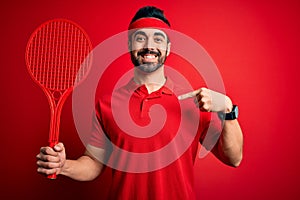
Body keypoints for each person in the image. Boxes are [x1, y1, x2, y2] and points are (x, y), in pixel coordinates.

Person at [36, 6, 243, 200]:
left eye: (158, 39)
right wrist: (63, 166)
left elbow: (234, 158)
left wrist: (227, 108)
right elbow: (93, 163)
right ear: (129, 45)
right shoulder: (107, 105)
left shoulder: (195, 103)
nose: (149, 46)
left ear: (168, 48)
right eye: (140, 38)